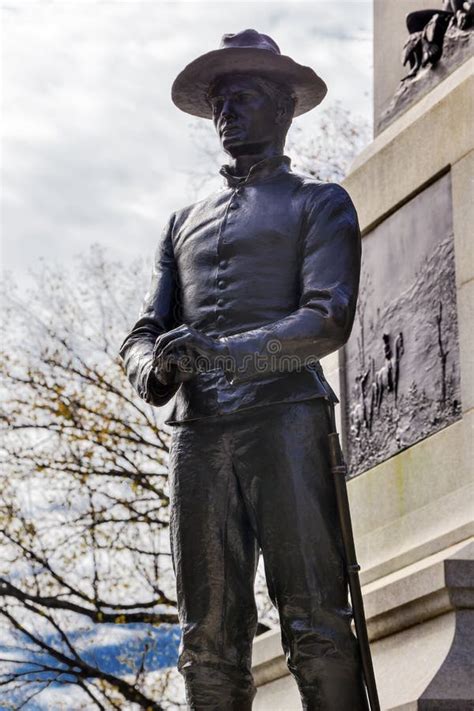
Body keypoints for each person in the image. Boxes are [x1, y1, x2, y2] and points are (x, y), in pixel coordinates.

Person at [119, 29, 368, 711]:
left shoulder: (320, 204)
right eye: (220, 98)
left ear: (285, 110)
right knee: (206, 641)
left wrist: (222, 351)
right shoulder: (180, 220)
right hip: (199, 438)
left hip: (287, 422)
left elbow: (327, 317)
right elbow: (142, 330)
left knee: (315, 620)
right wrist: (157, 369)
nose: (227, 108)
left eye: (246, 95)